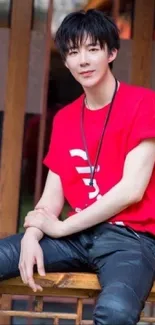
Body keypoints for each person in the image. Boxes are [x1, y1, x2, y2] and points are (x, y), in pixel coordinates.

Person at [0, 9, 155, 325]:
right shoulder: (65, 118)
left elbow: (132, 190)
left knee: (116, 312)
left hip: (132, 238)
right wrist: (32, 235)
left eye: (92, 49)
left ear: (111, 52)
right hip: (77, 237)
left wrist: (61, 227)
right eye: (73, 52)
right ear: (66, 60)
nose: (82, 60)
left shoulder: (145, 104)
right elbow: (50, 200)